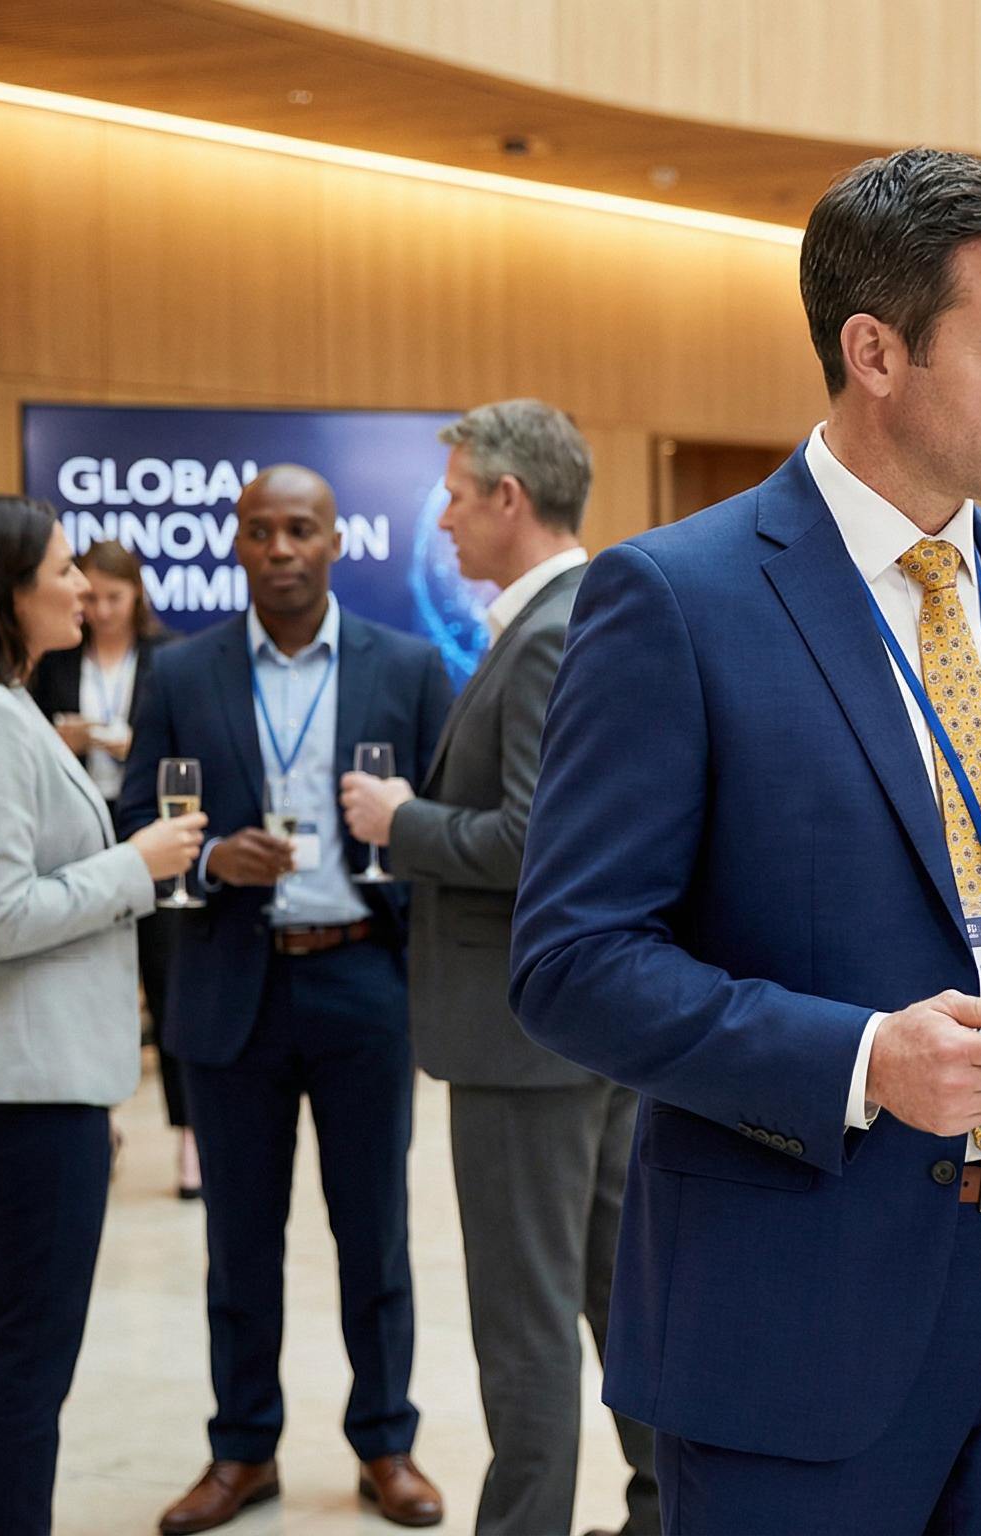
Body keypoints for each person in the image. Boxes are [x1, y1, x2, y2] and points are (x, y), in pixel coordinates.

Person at [507, 147, 981, 1533]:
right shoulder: (675, 598)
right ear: (875, 351)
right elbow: (572, 962)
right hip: (796, 1312)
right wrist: (860, 1060)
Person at [338, 400, 659, 1536]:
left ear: (510, 500)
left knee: (524, 1329)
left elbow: (534, 844)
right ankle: (665, 1507)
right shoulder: (582, 613)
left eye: (460, 501)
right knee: (617, 1299)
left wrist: (402, 820)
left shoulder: (548, 630)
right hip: (588, 1028)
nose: (448, 530)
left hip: (526, 1039)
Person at [118, 464, 455, 1532]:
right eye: (258, 530)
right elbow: (139, 821)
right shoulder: (181, 674)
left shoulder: (405, 667)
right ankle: (241, 1450)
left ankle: (386, 1443)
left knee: (374, 1233)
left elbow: (445, 823)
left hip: (363, 976)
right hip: (232, 984)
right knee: (240, 1240)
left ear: (333, 543)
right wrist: (215, 857)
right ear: (235, 542)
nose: (278, 548)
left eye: (298, 529)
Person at [0, 495, 205, 1534]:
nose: (81, 588)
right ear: (3, 594)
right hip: (21, 1084)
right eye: (61, 571)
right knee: (22, 1365)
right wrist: (135, 865)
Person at [31, 541, 195, 1195]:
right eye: (90, 596)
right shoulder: (55, 658)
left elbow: (190, 744)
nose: (100, 610)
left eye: (114, 597)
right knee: (83, 985)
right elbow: (32, 738)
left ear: (138, 595)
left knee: (169, 986)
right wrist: (60, 737)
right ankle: (96, 1128)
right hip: (76, 834)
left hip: (147, 827)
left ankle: (190, 1139)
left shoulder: (171, 657)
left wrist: (139, 743)